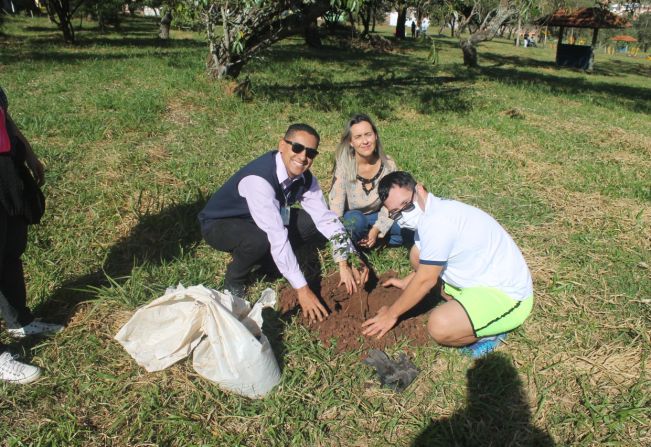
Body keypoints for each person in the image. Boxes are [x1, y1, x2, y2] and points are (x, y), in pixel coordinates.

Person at [199, 123, 368, 322]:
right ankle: (235, 278)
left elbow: (325, 218)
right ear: (282, 145)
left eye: (311, 153)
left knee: (310, 223)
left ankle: (267, 264)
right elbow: (277, 236)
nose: (303, 157)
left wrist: (344, 262)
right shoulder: (260, 180)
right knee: (259, 240)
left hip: (262, 218)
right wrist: (303, 290)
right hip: (222, 224)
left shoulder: (305, 179)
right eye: (297, 147)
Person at [362, 172, 534, 358]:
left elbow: (426, 279)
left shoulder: (437, 222)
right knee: (416, 254)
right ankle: (467, 309)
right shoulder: (431, 211)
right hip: (477, 277)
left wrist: (391, 315)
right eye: (396, 212)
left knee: (440, 326)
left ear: (419, 189)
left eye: (406, 205)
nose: (404, 215)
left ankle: (491, 333)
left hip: (509, 296)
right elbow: (425, 270)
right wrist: (408, 282)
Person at [0, 86, 62, 384]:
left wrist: (29, 155)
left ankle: (19, 321)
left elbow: (5, 117)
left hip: (6, 169)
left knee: (11, 250)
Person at [328, 114, 412, 249]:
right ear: (351, 142)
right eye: (358, 137)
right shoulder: (344, 166)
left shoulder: (388, 165)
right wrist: (336, 238)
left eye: (368, 134)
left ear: (376, 136)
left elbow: (391, 204)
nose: (365, 141)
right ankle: (355, 245)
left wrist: (376, 230)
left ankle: (369, 240)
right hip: (353, 218)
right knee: (356, 221)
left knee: (407, 230)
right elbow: (336, 208)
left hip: (378, 215)